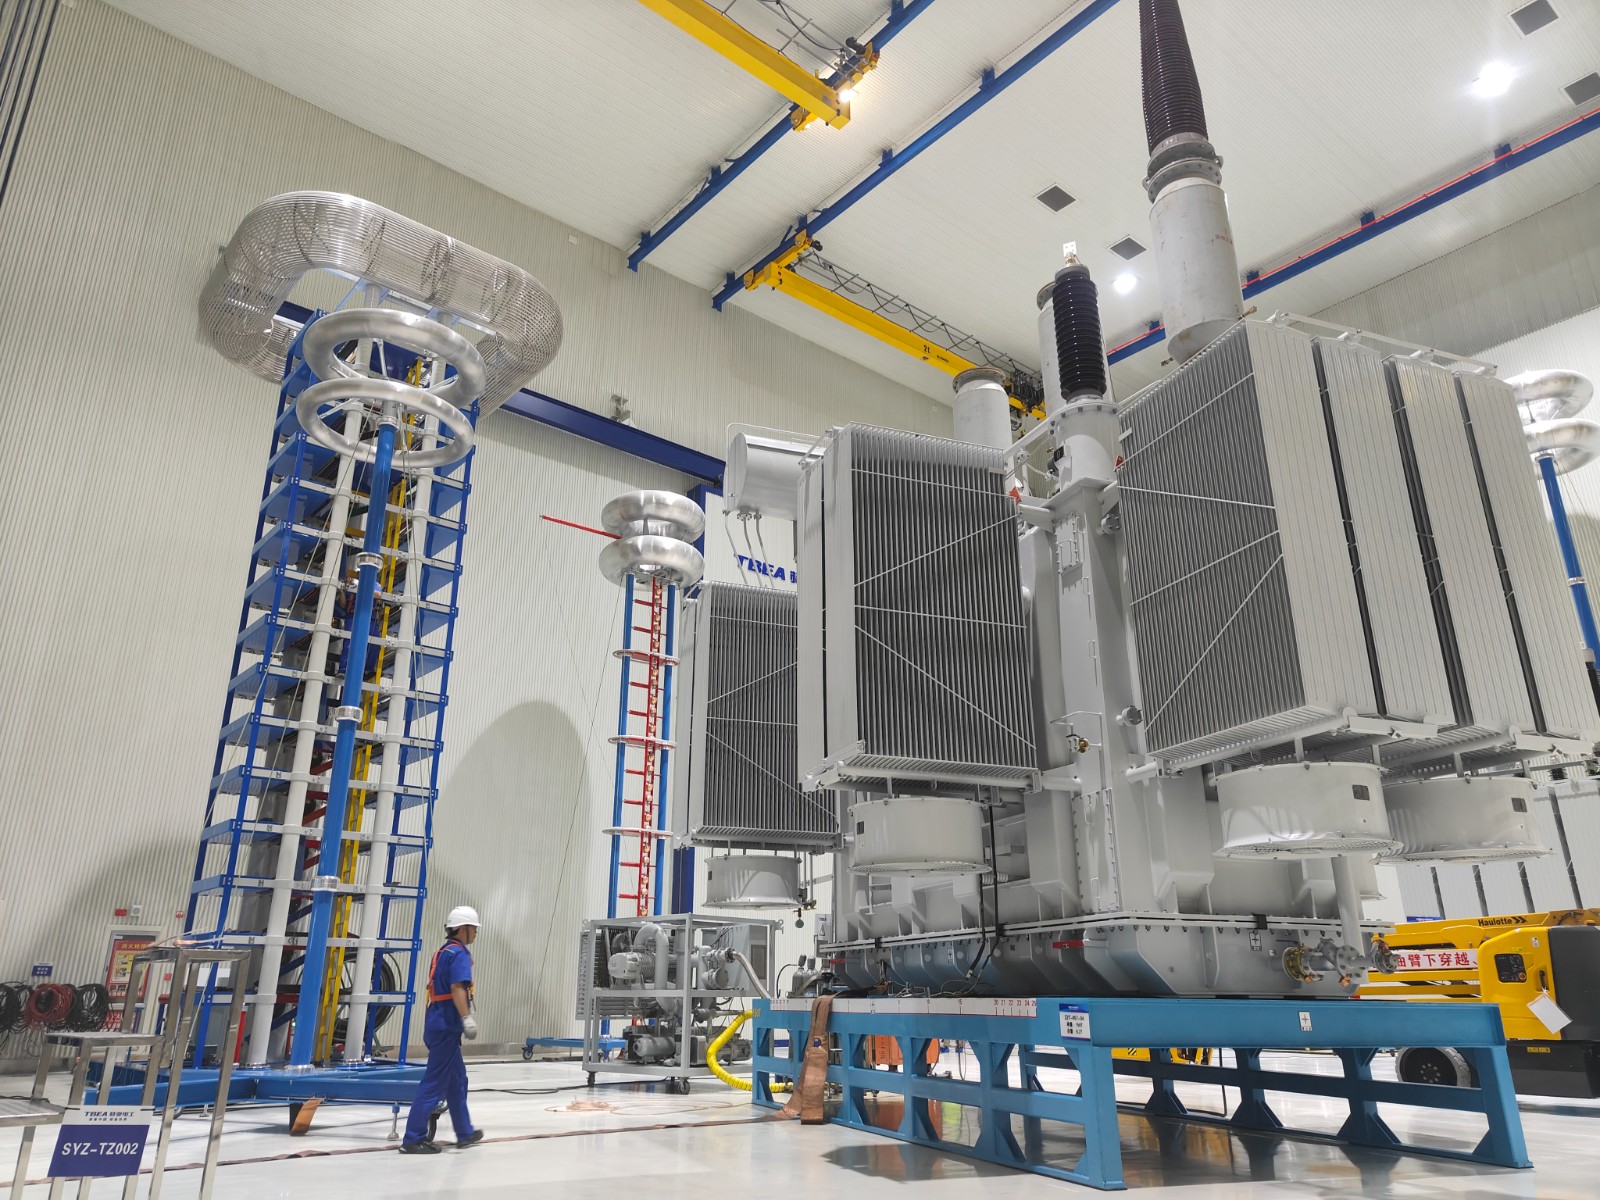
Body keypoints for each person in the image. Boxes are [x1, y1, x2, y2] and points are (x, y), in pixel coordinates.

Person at [399, 905, 484, 1153]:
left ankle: (464, 1132)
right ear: (463, 928)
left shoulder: (443, 951)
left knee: (457, 1080)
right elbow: (458, 987)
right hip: (446, 1025)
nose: (476, 933)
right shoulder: (459, 954)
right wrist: (467, 1018)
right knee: (434, 1083)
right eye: (474, 928)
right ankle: (413, 1139)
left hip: (436, 1022)